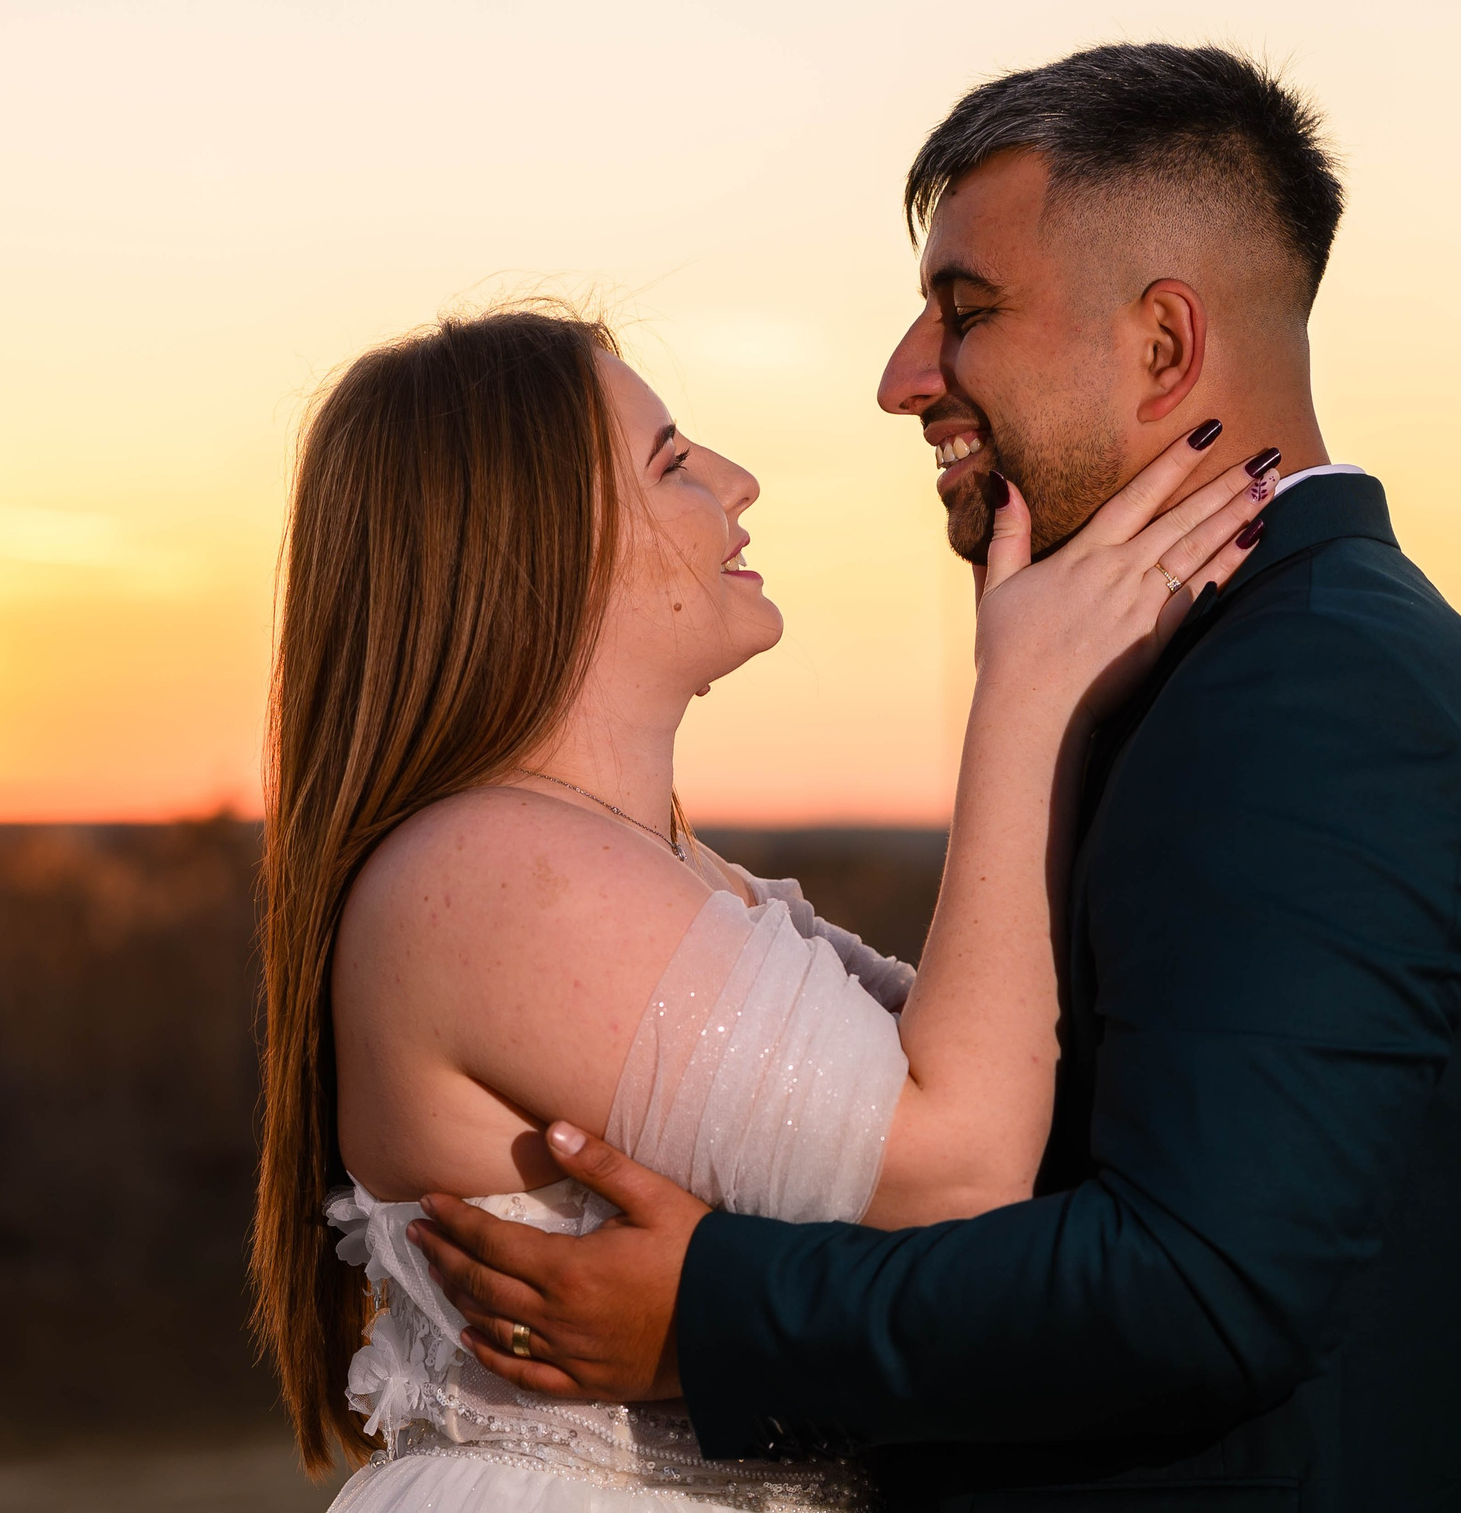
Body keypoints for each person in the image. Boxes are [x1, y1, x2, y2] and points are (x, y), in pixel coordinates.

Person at [409, 45, 1461, 1511]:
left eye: (965, 312)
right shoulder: (1212, 665)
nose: (906, 377)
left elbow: (1204, 1287)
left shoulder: (1308, 691)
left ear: (1164, 347)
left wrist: (709, 1314)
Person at [254, 291, 1267, 1513]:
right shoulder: (494, 876)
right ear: (532, 542)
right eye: (673, 460)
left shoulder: (647, 866)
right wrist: (1029, 694)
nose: (737, 482)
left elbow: (998, 1093)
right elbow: (957, 1172)